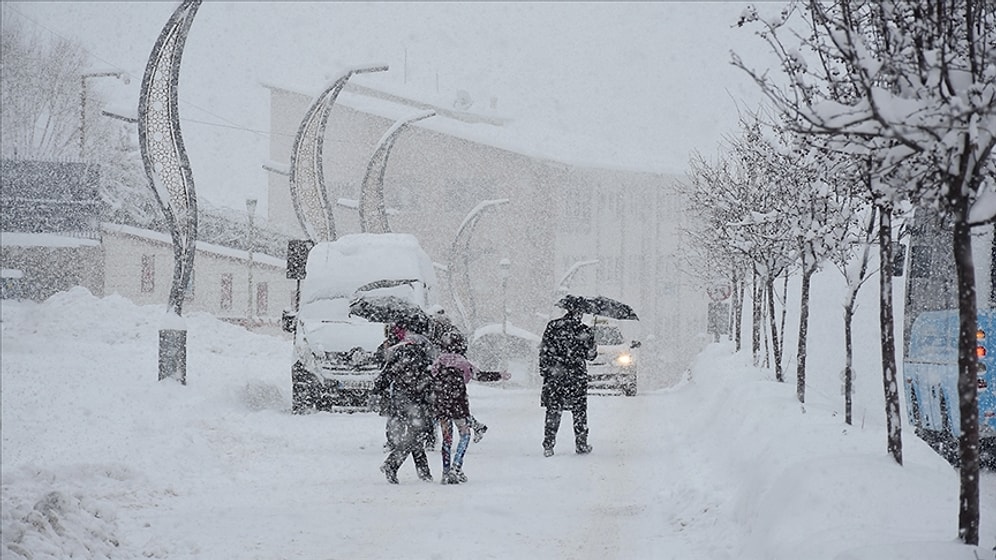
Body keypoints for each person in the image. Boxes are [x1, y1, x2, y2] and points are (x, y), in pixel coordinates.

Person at [372, 326, 435, 484]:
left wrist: (376, 391)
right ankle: (392, 465)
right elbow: (429, 379)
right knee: (415, 436)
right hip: (415, 402)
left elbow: (386, 375)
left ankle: (424, 473)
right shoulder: (422, 355)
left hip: (401, 401)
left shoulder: (398, 353)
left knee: (415, 437)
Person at [539, 301, 597, 457]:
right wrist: (592, 348)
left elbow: (544, 350)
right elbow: (590, 355)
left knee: (553, 411)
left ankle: (549, 445)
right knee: (579, 411)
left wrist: (545, 370)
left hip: (555, 375)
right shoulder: (584, 330)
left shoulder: (553, 326)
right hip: (576, 376)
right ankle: (581, 444)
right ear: (579, 313)